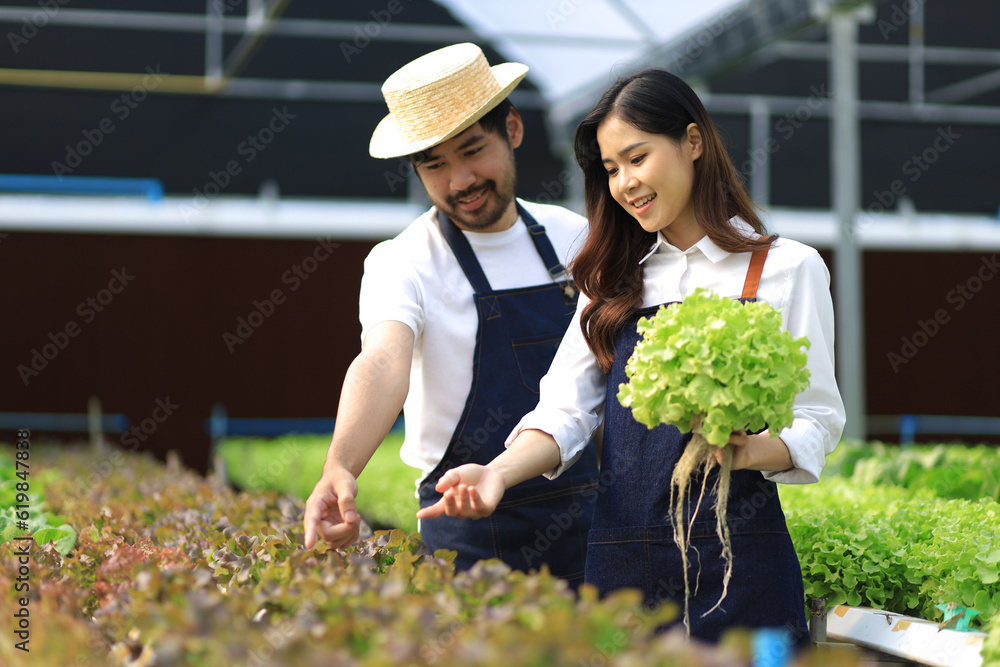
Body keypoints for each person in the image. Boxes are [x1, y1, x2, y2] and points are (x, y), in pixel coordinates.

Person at [417, 69, 846, 643]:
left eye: (636, 158)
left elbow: (817, 419)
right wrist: (496, 474)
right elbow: (564, 412)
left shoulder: (786, 268)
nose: (624, 184)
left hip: (739, 558)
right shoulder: (615, 280)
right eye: (610, 170)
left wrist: (747, 453)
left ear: (693, 142)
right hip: (623, 563)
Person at [302, 43, 600, 584]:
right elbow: (382, 364)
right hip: (466, 528)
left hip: (591, 517)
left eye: (471, 151)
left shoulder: (575, 238)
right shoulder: (403, 261)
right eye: (435, 165)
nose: (460, 180)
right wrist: (340, 467)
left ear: (512, 128)